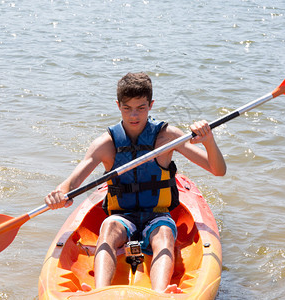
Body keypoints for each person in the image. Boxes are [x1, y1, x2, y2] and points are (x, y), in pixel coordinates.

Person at [45, 72, 226, 294]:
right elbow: (72, 183)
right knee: (109, 227)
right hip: (122, 217)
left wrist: (208, 141)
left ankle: (159, 295)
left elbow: (217, 170)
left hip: (158, 213)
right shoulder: (106, 144)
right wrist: (58, 195)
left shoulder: (167, 138)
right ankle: (101, 293)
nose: (134, 115)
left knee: (164, 233)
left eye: (141, 107)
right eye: (127, 108)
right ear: (118, 105)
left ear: (151, 105)